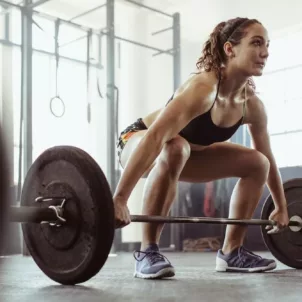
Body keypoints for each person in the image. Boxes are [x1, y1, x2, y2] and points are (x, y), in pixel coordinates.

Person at [113, 17, 289, 279]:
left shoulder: (251, 105)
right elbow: (155, 138)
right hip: (138, 140)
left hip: (185, 153)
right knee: (175, 146)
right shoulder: (202, 88)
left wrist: (282, 206)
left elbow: (268, 158)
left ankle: (232, 252)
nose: (265, 53)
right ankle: (147, 252)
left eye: (267, 45)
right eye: (256, 43)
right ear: (230, 49)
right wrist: (120, 199)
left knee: (258, 163)